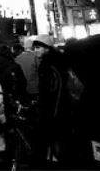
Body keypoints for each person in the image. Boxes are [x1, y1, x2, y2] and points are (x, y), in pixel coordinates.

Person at [33, 34, 72, 167]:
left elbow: (56, 92)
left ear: (47, 49)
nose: (35, 50)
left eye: (38, 47)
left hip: (54, 114)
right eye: (34, 48)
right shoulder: (52, 63)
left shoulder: (50, 66)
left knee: (56, 144)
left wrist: (51, 115)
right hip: (56, 112)